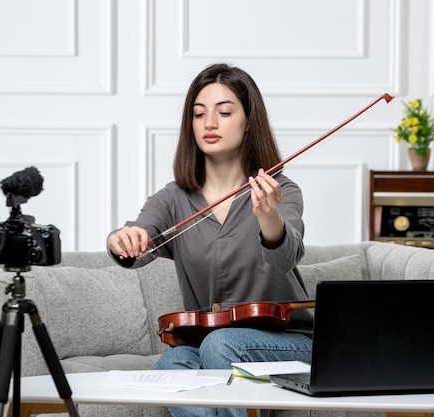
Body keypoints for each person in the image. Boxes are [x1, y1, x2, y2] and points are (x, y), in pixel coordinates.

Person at [107, 63, 313, 417]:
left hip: (292, 344)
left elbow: (286, 255)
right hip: (213, 342)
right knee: (173, 363)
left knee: (221, 344)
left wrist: (268, 215)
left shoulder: (282, 191)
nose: (209, 123)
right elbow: (138, 237)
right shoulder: (173, 199)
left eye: (224, 112)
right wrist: (122, 240)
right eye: (199, 114)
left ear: (249, 121)